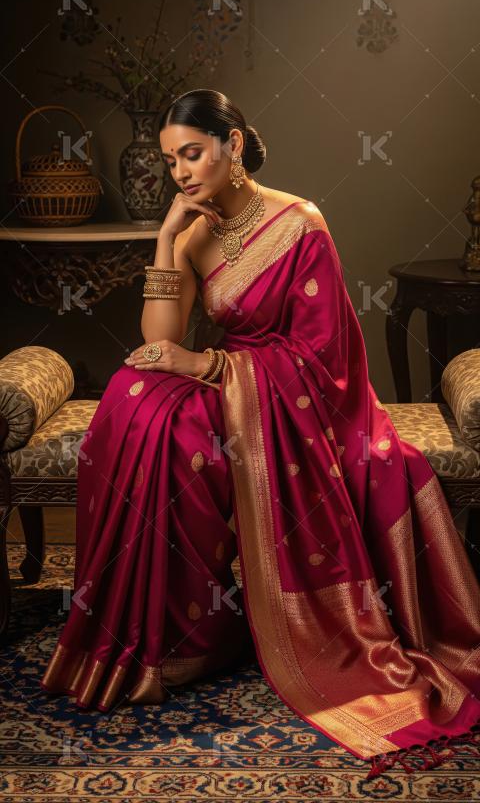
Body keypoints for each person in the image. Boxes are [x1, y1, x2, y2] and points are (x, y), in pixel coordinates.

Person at [40, 89, 480, 778]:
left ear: (233, 144)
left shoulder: (300, 223)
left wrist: (207, 362)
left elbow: (325, 362)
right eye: (171, 161)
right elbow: (158, 343)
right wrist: (165, 238)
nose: (181, 172)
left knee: (174, 422)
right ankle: (169, 633)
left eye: (193, 153)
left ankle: (195, 635)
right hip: (247, 392)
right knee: (133, 395)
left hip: (300, 404)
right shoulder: (192, 230)